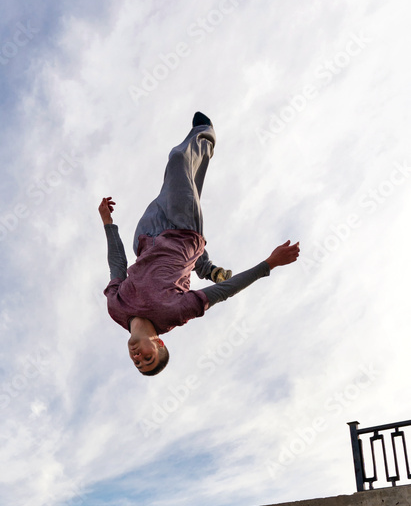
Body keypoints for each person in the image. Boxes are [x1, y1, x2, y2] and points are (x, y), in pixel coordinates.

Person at [100, 112, 300, 375]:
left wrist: (107, 223)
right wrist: (269, 264)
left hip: (147, 233)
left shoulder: (116, 308)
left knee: (186, 180)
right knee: (178, 160)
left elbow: (117, 264)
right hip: (184, 231)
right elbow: (223, 292)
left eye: (137, 363)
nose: (138, 358)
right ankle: (206, 133)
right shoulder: (173, 315)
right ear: (158, 343)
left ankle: (206, 267)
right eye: (148, 359)